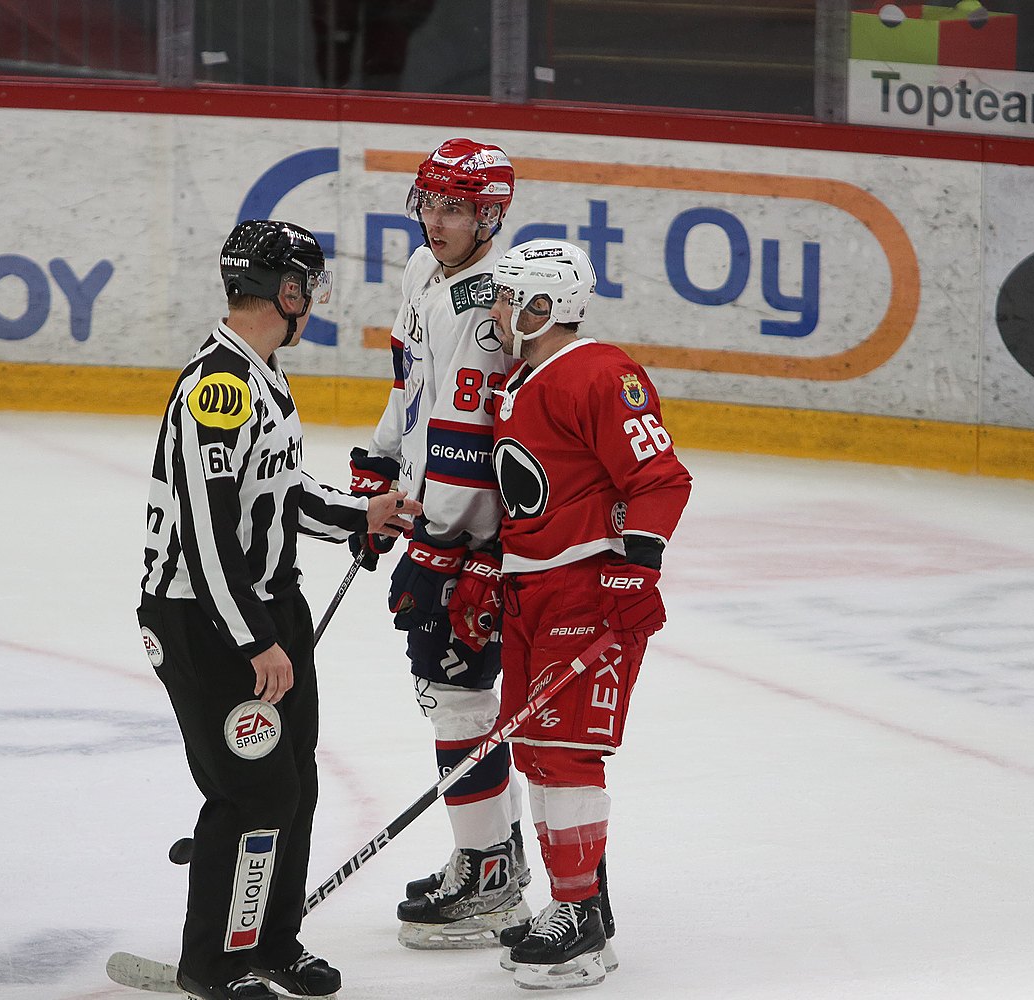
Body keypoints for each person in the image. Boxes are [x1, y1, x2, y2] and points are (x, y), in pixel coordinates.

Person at [139, 219, 420, 1000]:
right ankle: (215, 965)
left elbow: (280, 492)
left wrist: (359, 516)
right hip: (206, 621)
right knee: (253, 792)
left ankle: (272, 943)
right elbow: (203, 534)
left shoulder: (262, 372)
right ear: (284, 291)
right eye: (308, 285)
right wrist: (256, 641)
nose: (314, 299)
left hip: (266, 607)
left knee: (293, 781)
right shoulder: (219, 386)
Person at [486, 239, 693, 989]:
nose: (498, 310)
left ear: (545, 307)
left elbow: (661, 479)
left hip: (583, 590)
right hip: (530, 590)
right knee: (533, 749)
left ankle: (575, 919)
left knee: (566, 751)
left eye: (510, 298)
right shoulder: (522, 376)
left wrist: (636, 571)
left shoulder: (602, 374)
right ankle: (583, 908)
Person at [348, 137, 531, 949]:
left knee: (461, 700)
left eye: (454, 207)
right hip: (431, 514)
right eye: (428, 201)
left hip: (477, 537)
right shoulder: (424, 270)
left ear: (491, 214)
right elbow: (412, 385)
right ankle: (491, 856)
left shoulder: (488, 306)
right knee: (448, 698)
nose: (435, 219)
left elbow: (470, 437)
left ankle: (491, 877)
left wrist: (441, 547)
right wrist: (380, 462)